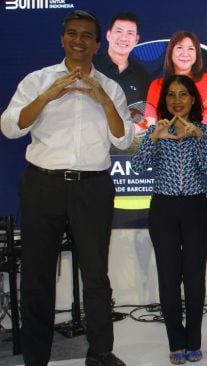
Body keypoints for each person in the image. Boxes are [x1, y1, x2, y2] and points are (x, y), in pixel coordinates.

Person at [0, 10, 133, 366]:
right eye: (72, 34)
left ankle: (101, 353)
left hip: (93, 188)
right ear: (62, 40)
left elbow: (123, 141)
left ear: (97, 43)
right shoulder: (38, 80)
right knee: (37, 277)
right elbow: (11, 127)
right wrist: (47, 96)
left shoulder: (112, 87)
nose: (79, 40)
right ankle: (36, 358)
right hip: (44, 185)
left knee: (95, 276)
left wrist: (102, 99)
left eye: (87, 35)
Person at [131, 74, 207, 364]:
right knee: (168, 278)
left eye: (183, 94)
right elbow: (138, 166)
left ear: (193, 99)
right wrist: (153, 139)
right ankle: (175, 343)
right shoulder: (156, 130)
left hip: (195, 209)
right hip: (164, 209)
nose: (177, 100)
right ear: (164, 100)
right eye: (171, 95)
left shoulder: (205, 131)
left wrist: (198, 138)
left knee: (194, 278)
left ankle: (193, 341)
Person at [144, 30, 207, 129]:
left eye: (191, 48)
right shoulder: (157, 85)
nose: (185, 53)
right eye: (179, 47)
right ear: (170, 52)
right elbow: (149, 122)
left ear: (197, 54)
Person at [94, 11, 150, 106]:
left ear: (136, 39)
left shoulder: (142, 75)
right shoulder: (89, 66)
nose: (123, 38)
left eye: (130, 33)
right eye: (119, 31)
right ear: (108, 35)